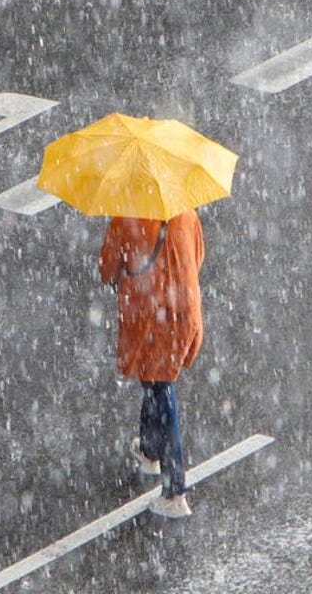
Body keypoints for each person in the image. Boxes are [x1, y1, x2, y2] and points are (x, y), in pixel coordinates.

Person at [98, 208, 205, 519]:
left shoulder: (126, 217)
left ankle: (175, 491)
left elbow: (107, 270)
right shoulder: (186, 213)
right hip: (184, 309)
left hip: (148, 316)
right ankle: (148, 450)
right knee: (155, 381)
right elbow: (196, 256)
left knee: (161, 389)